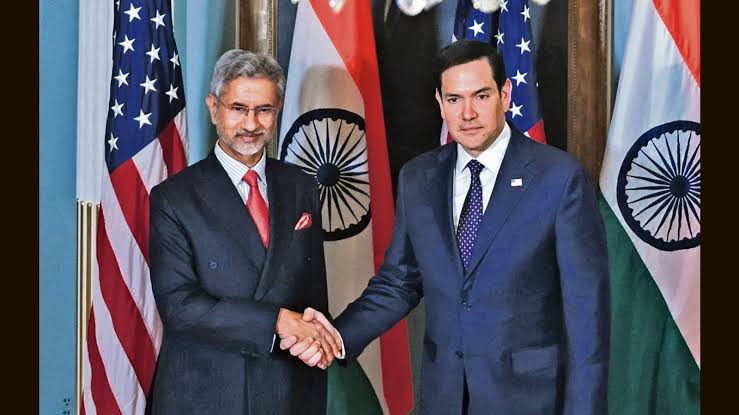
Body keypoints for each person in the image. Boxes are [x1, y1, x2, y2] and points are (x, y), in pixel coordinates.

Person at [287, 40, 610, 414]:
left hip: (529, 399)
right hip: (445, 397)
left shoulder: (559, 179)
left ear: (505, 95)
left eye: (481, 96)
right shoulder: (418, 178)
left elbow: (587, 316)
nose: (468, 113)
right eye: (455, 99)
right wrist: (336, 336)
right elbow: (399, 282)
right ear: (440, 104)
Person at [148, 49, 340, 415]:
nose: (251, 123)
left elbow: (313, 292)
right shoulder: (173, 198)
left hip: (289, 390)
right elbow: (179, 306)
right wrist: (276, 321)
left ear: (277, 110)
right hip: (206, 394)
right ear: (213, 108)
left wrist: (316, 343)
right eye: (238, 108)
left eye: (264, 109)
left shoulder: (302, 186)